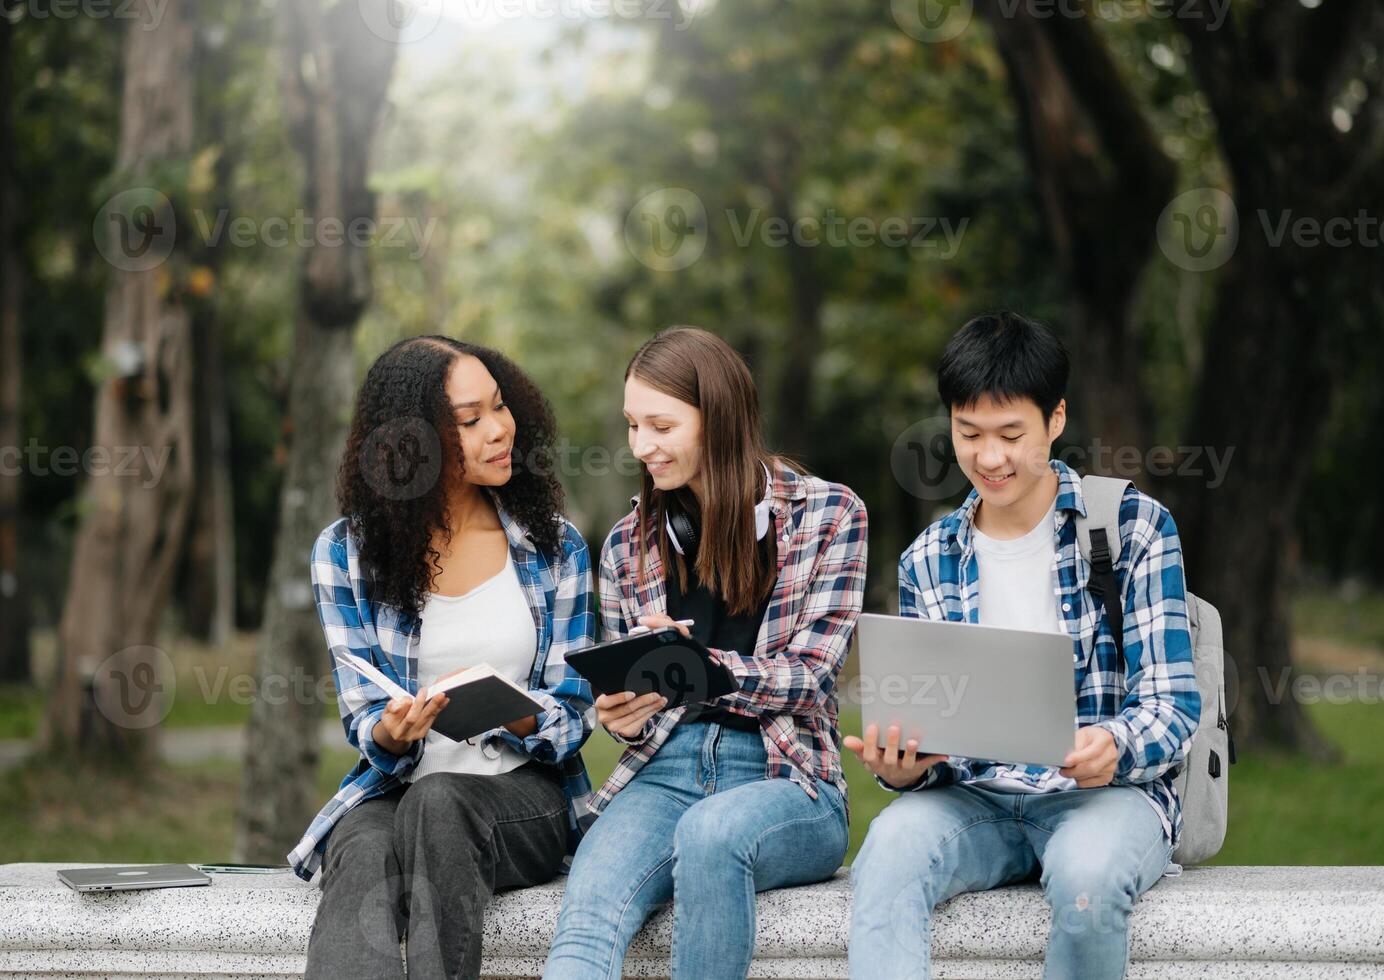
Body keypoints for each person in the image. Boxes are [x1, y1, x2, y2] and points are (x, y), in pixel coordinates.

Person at [846, 311, 1201, 980]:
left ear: (1055, 419)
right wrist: (903, 768)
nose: (990, 458)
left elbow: (1173, 705)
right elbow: (929, 734)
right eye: (969, 433)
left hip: (1106, 797)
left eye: (1012, 434)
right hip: (975, 797)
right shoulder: (928, 557)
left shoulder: (1132, 526)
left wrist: (1115, 745)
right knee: (887, 850)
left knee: (1088, 881)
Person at [543, 326, 864, 980]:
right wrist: (622, 712)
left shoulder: (831, 515)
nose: (641, 446)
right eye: (633, 425)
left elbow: (810, 679)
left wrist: (707, 669)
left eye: (661, 425)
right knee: (587, 913)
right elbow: (626, 694)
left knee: (712, 836)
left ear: (717, 420)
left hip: (788, 775)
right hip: (665, 767)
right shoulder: (630, 542)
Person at [289, 335, 598, 980]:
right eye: (469, 420)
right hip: (396, 786)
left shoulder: (554, 547)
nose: (499, 430)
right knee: (366, 850)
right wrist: (391, 730)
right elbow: (361, 711)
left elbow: (575, 712)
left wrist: (515, 714)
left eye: (501, 407)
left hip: (521, 796)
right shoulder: (345, 552)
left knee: (440, 803)